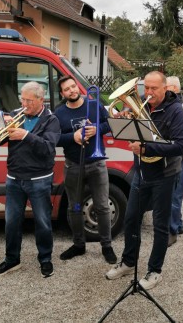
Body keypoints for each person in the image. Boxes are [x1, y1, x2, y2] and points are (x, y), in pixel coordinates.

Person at [105, 71, 183, 290]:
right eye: (146, 88)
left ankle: (154, 270)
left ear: (165, 88)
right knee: (131, 219)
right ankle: (129, 262)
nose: (148, 93)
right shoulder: (142, 103)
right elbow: (135, 133)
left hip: (164, 174)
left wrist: (147, 148)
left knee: (160, 226)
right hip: (141, 172)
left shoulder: (175, 111)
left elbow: (180, 146)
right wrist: (126, 121)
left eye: (154, 88)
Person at [0, 81, 60, 279]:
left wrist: (26, 135)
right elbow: (0, 140)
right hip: (14, 177)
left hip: (39, 178)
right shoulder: (15, 114)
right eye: (23, 99)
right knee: (11, 222)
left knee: (43, 221)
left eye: (29, 101)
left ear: (41, 100)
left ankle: (45, 259)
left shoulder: (51, 120)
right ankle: (12, 259)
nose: (24, 104)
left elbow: (48, 148)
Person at [54, 76, 117, 264]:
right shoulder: (59, 113)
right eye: (67, 89)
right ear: (62, 93)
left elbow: (110, 123)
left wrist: (97, 129)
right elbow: (54, 138)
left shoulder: (94, 104)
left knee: (102, 206)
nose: (72, 90)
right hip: (73, 164)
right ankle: (78, 245)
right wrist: (72, 137)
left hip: (97, 163)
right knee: (74, 207)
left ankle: (107, 246)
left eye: (73, 86)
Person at [166, 75, 183, 247]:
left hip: (179, 155)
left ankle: (172, 230)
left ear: (175, 89)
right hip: (174, 153)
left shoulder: (182, 108)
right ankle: (179, 224)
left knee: (175, 194)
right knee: (174, 192)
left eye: (166, 86)